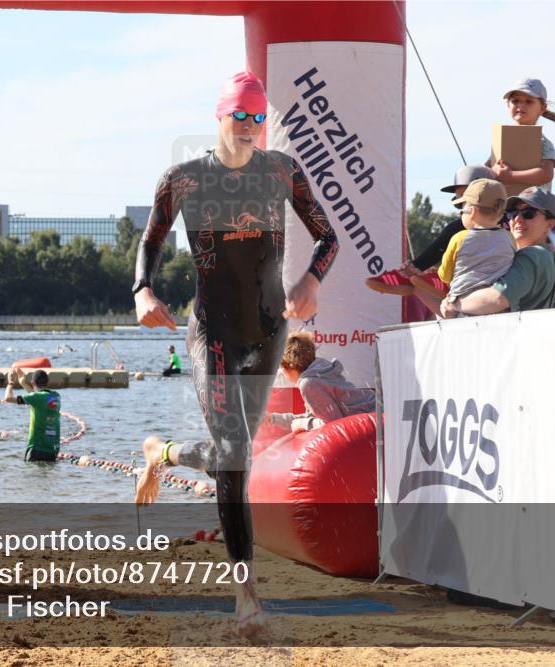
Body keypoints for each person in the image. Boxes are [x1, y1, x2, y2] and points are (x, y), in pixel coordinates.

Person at [132, 71, 339, 637]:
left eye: (257, 117)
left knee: (236, 455)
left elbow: (328, 236)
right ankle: (247, 596)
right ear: (220, 117)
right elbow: (150, 240)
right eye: (239, 116)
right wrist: (143, 290)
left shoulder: (282, 171)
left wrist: (312, 281)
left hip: (269, 330)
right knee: (231, 452)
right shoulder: (185, 178)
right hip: (213, 331)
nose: (249, 127)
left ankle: (163, 452)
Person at [366, 165, 497, 295]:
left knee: (457, 229)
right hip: (486, 283)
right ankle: (422, 276)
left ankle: (426, 276)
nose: (463, 209)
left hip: (498, 283)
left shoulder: (508, 221)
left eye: (466, 201)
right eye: (460, 204)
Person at [441, 187, 555, 317]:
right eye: (512, 212)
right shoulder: (538, 256)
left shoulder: (535, 254)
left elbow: (496, 299)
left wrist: (454, 303)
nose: (517, 219)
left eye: (528, 213)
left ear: (550, 224)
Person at [411, 179, 514, 316]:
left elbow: (445, 276)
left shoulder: (459, 238)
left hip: (464, 306)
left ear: (472, 212)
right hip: (498, 307)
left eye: (462, 208)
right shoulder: (509, 238)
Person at [266, 332, 374, 432]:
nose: (282, 372)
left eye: (282, 368)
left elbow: (332, 424)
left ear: (290, 366)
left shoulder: (309, 383)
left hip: (374, 424)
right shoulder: (320, 370)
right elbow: (313, 417)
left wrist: (301, 424)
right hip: (377, 416)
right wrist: (273, 418)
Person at [488, 78, 555, 193]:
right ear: (508, 104)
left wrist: (510, 175)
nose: (521, 105)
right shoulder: (502, 139)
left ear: (542, 108)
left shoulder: (541, 141)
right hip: (504, 207)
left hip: (533, 206)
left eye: (528, 101)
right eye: (515, 101)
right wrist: (493, 170)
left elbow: (545, 174)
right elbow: (487, 168)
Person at [4, 369, 61, 462]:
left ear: (33, 383)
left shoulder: (37, 397)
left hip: (36, 449)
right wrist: (23, 383)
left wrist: (10, 382)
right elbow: (36, 396)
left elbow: (8, 398)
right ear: (47, 382)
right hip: (52, 450)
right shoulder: (56, 396)